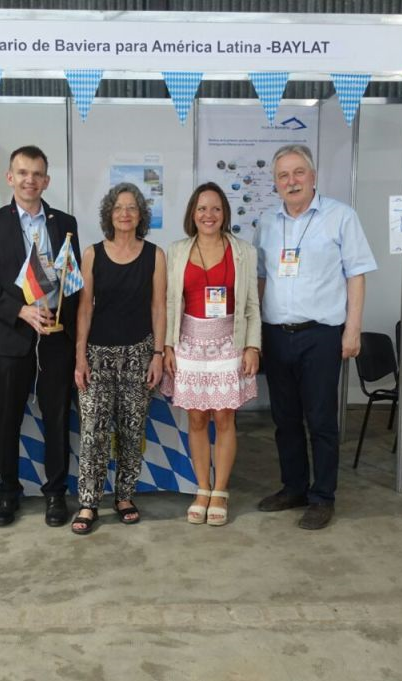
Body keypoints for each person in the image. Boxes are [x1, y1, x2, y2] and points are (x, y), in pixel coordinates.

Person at [255, 143, 377, 530]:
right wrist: (255, 331)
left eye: (298, 172)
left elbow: (356, 275)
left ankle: (323, 496)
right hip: (276, 334)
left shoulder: (341, 217)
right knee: (285, 419)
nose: (291, 181)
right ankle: (294, 488)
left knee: (321, 419)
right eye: (283, 175)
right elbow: (261, 279)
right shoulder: (267, 223)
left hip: (322, 335)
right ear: (275, 183)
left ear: (313, 176)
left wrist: (352, 329)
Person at [0, 145, 80, 527]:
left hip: (55, 337)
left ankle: (55, 493)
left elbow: (72, 281)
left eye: (37, 174)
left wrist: (66, 319)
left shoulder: (65, 222)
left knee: (56, 418)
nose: (29, 180)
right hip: (12, 336)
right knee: (7, 419)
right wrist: (21, 310)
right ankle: (7, 493)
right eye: (22, 173)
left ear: (46, 180)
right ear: (10, 177)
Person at [161, 182, 261, 526]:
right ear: (192, 213)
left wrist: (253, 346)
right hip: (188, 343)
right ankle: (202, 488)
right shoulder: (177, 251)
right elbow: (170, 303)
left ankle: (220, 491)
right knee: (197, 419)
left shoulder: (243, 251)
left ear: (225, 213)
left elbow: (252, 304)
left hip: (229, 342)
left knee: (224, 417)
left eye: (216, 208)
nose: (209, 215)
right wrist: (167, 346)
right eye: (202, 208)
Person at [71, 183, 166, 534]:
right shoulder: (93, 254)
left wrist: (157, 354)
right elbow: (84, 308)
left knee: (131, 430)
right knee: (93, 433)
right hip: (97, 355)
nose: (125, 214)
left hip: (139, 354)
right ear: (109, 215)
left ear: (141, 215)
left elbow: (159, 307)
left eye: (132, 208)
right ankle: (88, 502)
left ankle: (124, 496)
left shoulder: (155, 255)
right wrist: (80, 356)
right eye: (118, 208)